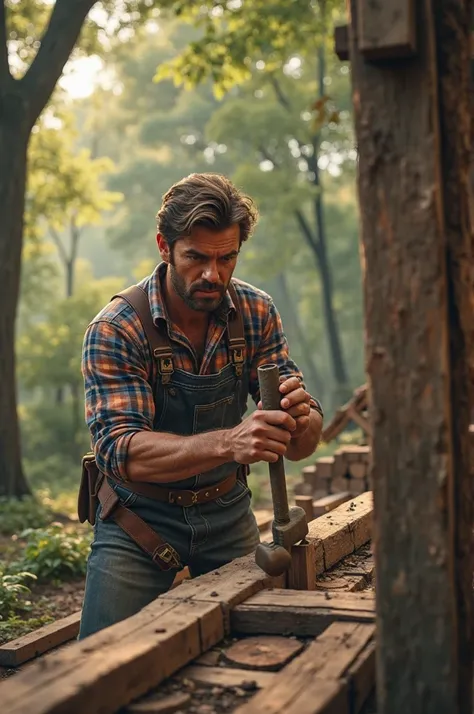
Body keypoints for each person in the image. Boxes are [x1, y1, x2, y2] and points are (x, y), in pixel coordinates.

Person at [79, 173, 323, 638]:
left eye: (226, 257)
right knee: (97, 660)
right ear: (164, 246)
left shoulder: (256, 312)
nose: (213, 274)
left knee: (267, 646)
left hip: (227, 512)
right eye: (196, 257)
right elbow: (121, 452)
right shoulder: (116, 329)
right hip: (138, 523)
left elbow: (302, 448)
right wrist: (232, 441)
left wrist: (300, 418)